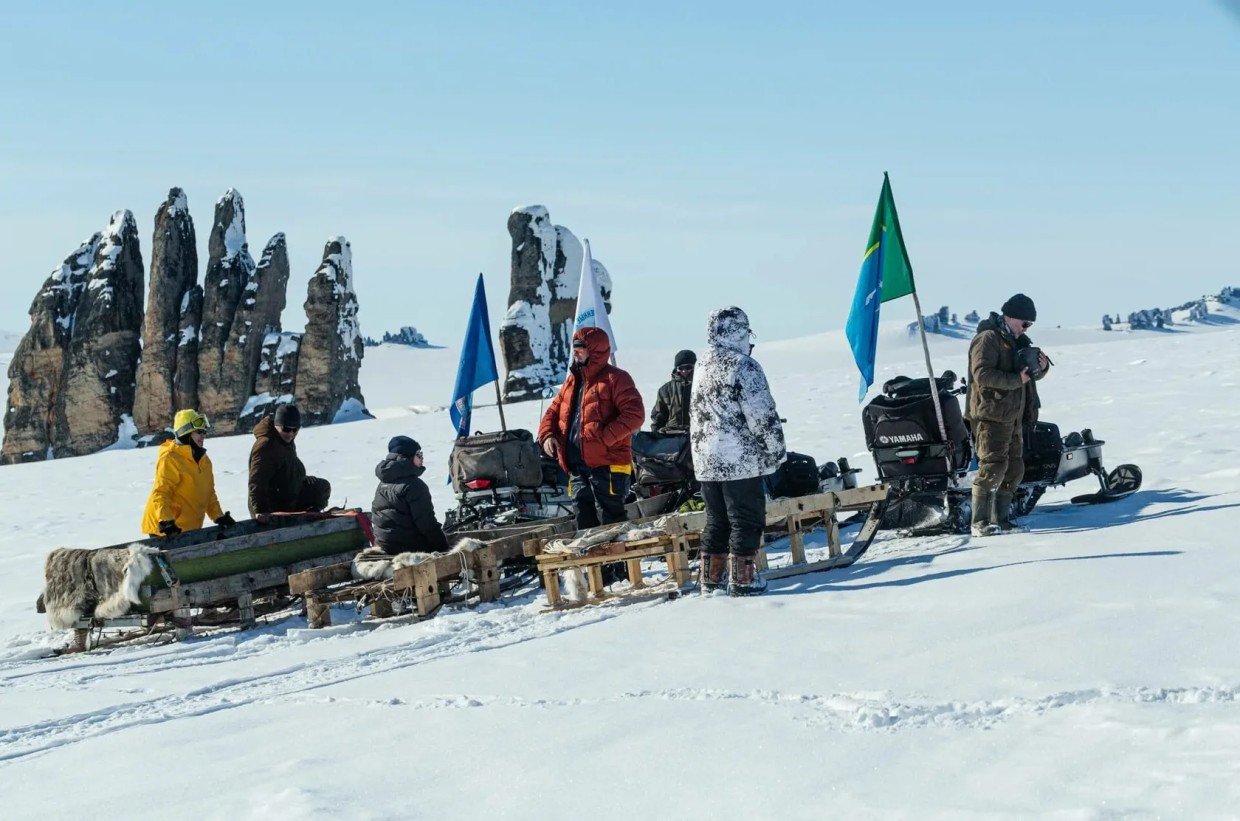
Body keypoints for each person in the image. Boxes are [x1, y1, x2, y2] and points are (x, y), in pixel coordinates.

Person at [689, 306, 785, 595]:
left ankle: (711, 578)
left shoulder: (702, 364)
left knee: (716, 519)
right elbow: (762, 415)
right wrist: (776, 450)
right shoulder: (743, 365)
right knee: (746, 518)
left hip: (706, 459)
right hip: (738, 458)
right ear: (741, 331)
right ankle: (743, 578)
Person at [538, 326, 645, 532]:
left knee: (612, 521)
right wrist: (547, 436)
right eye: (574, 350)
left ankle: (615, 565)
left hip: (609, 465)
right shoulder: (571, 382)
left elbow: (635, 414)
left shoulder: (616, 378)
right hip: (577, 467)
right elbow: (551, 413)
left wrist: (603, 439)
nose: (575, 354)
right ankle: (593, 566)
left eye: (580, 350)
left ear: (594, 351)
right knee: (584, 521)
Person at [966, 293, 1052, 537]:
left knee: (1014, 469)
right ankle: (979, 522)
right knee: (992, 467)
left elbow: (1029, 375)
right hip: (990, 414)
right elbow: (982, 375)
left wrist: (1041, 368)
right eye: (1024, 323)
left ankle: (1001, 519)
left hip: (1013, 416)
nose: (1026, 328)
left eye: (1029, 325)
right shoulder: (988, 339)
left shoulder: (1018, 341)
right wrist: (1016, 380)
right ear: (1010, 316)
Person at [141, 409, 235, 537]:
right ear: (185, 433)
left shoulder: (204, 460)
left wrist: (218, 516)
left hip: (189, 529)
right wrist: (166, 520)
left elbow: (209, 493)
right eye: (199, 432)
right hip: (166, 530)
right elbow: (161, 492)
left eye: (204, 432)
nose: (203, 435)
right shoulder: (170, 458)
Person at [248, 404, 331, 524]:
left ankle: (310, 516)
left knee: (321, 487)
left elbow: (285, 467)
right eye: (286, 429)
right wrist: (260, 510)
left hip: (288, 495)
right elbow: (257, 480)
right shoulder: (266, 445)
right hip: (272, 505)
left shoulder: (286, 442)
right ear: (277, 426)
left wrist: (301, 478)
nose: (291, 434)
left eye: (295, 430)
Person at [370, 436, 450, 555]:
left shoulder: (383, 484)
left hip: (385, 547)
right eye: (418, 454)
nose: (422, 457)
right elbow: (427, 524)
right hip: (411, 549)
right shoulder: (414, 486)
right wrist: (444, 547)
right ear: (405, 458)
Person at [650, 350, 696, 432]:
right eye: (681, 368)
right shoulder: (665, 390)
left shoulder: (702, 388)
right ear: (676, 368)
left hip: (696, 436)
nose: (684, 371)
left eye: (688, 367)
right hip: (672, 438)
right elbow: (658, 416)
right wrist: (656, 434)